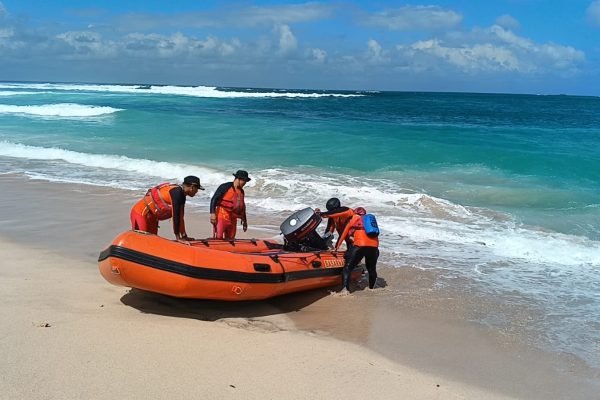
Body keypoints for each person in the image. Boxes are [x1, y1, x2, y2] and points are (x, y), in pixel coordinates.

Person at [130, 176, 204, 240]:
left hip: (152, 217)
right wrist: (178, 237)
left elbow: (181, 217)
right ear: (192, 187)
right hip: (141, 212)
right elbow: (176, 216)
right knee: (142, 239)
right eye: (197, 189)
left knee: (151, 241)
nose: (196, 192)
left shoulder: (182, 195)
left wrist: (184, 236)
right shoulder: (177, 192)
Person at [335, 207, 379, 293]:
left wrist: (337, 247)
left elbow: (344, 234)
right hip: (374, 247)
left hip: (360, 246)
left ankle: (345, 290)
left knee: (347, 268)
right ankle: (372, 288)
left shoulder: (354, 218)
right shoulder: (370, 222)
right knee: (372, 269)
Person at [210, 170, 250, 239]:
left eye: (246, 181)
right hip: (221, 215)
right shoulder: (225, 187)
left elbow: (242, 206)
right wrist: (212, 213)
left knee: (231, 238)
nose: (245, 183)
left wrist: (245, 221)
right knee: (218, 237)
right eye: (244, 181)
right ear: (238, 179)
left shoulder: (241, 191)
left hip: (233, 218)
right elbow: (214, 199)